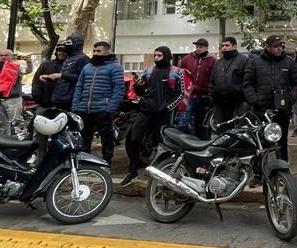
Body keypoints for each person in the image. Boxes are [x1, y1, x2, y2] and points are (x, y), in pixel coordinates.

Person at [124, 47, 186, 185]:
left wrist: (167, 108)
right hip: (145, 111)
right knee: (133, 140)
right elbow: (142, 90)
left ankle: (161, 173)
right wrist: (138, 86)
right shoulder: (149, 70)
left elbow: (180, 94)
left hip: (163, 115)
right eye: (155, 55)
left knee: (163, 144)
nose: (156, 57)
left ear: (167, 56)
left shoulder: (177, 72)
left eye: (159, 55)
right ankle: (133, 171)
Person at [243, 35, 297, 162]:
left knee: (281, 143)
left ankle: (282, 171)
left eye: (281, 46)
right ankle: (260, 173)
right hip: (261, 110)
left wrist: (290, 98)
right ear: (268, 47)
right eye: (276, 46)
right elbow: (247, 83)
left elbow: (296, 83)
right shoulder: (254, 62)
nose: (279, 48)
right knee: (260, 143)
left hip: (282, 109)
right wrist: (254, 99)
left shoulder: (289, 62)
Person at [72, 41, 125, 165]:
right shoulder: (87, 67)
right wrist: (76, 106)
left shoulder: (115, 67)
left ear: (107, 51)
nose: (95, 53)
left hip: (102, 109)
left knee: (106, 137)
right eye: (94, 51)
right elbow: (79, 86)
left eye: (99, 51)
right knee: (84, 137)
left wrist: (110, 108)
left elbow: (118, 89)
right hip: (84, 109)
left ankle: (106, 162)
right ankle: (84, 162)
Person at [179, 38, 216, 138]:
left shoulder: (213, 61)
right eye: (197, 47)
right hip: (189, 96)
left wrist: (211, 94)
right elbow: (180, 75)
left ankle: (199, 144)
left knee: (201, 124)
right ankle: (183, 143)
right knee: (183, 122)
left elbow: (214, 79)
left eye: (201, 47)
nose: (198, 49)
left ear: (206, 48)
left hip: (205, 97)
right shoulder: (186, 59)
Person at [211, 37, 248, 126]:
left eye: (227, 45)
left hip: (238, 102)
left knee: (238, 131)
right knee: (221, 131)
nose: (224, 47)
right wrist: (211, 98)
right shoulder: (218, 62)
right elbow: (212, 81)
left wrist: (246, 100)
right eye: (222, 45)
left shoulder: (244, 60)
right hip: (220, 103)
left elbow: (248, 81)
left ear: (234, 46)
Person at [50, 34, 89, 110]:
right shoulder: (68, 58)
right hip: (59, 99)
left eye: (68, 43)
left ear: (76, 44)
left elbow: (84, 79)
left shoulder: (83, 58)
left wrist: (62, 75)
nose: (65, 45)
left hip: (70, 100)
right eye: (65, 43)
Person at [0, 49, 27, 136]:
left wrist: (29, 62)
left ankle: (23, 143)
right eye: (1, 55)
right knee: (1, 123)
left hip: (13, 99)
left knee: (18, 122)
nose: (3, 57)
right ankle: (5, 144)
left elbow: (27, 70)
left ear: (11, 56)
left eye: (6, 55)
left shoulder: (16, 67)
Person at [32, 44, 66, 108]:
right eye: (59, 51)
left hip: (62, 103)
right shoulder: (46, 64)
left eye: (64, 51)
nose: (61, 53)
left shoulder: (70, 66)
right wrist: (38, 97)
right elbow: (36, 81)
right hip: (45, 102)